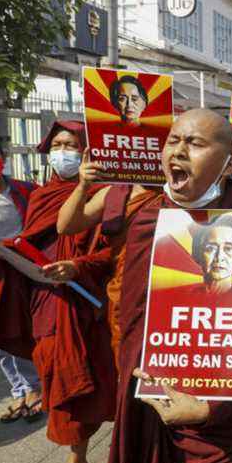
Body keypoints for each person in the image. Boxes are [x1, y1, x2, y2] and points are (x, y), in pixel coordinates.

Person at [109, 109, 232, 463]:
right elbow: (133, 319)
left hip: (228, 424)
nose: (179, 151)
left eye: (195, 143)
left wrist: (210, 408)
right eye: (173, 141)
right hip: (154, 400)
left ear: (230, 165)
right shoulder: (149, 224)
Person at [12, 120, 116, 463]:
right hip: (45, 299)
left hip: (87, 300)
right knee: (56, 372)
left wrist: (77, 266)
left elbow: (113, 253)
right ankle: (79, 453)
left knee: (88, 378)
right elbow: (32, 242)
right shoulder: (41, 195)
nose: (62, 152)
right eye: (56, 145)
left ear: (87, 151)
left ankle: (79, 456)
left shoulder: (104, 194)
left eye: (71, 145)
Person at [57, 151, 159, 371]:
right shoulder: (116, 193)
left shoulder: (179, 192)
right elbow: (66, 226)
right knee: (127, 367)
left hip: (165, 292)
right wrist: (83, 185)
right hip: (125, 294)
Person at [0, 148, 42, 424]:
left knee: (26, 329)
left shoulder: (26, 191)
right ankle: (18, 390)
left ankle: (34, 389)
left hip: (24, 271)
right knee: (1, 339)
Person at [191, 214, 232, 295]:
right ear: (197, 255)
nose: (219, 257)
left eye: (228, 248)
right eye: (210, 249)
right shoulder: (182, 298)